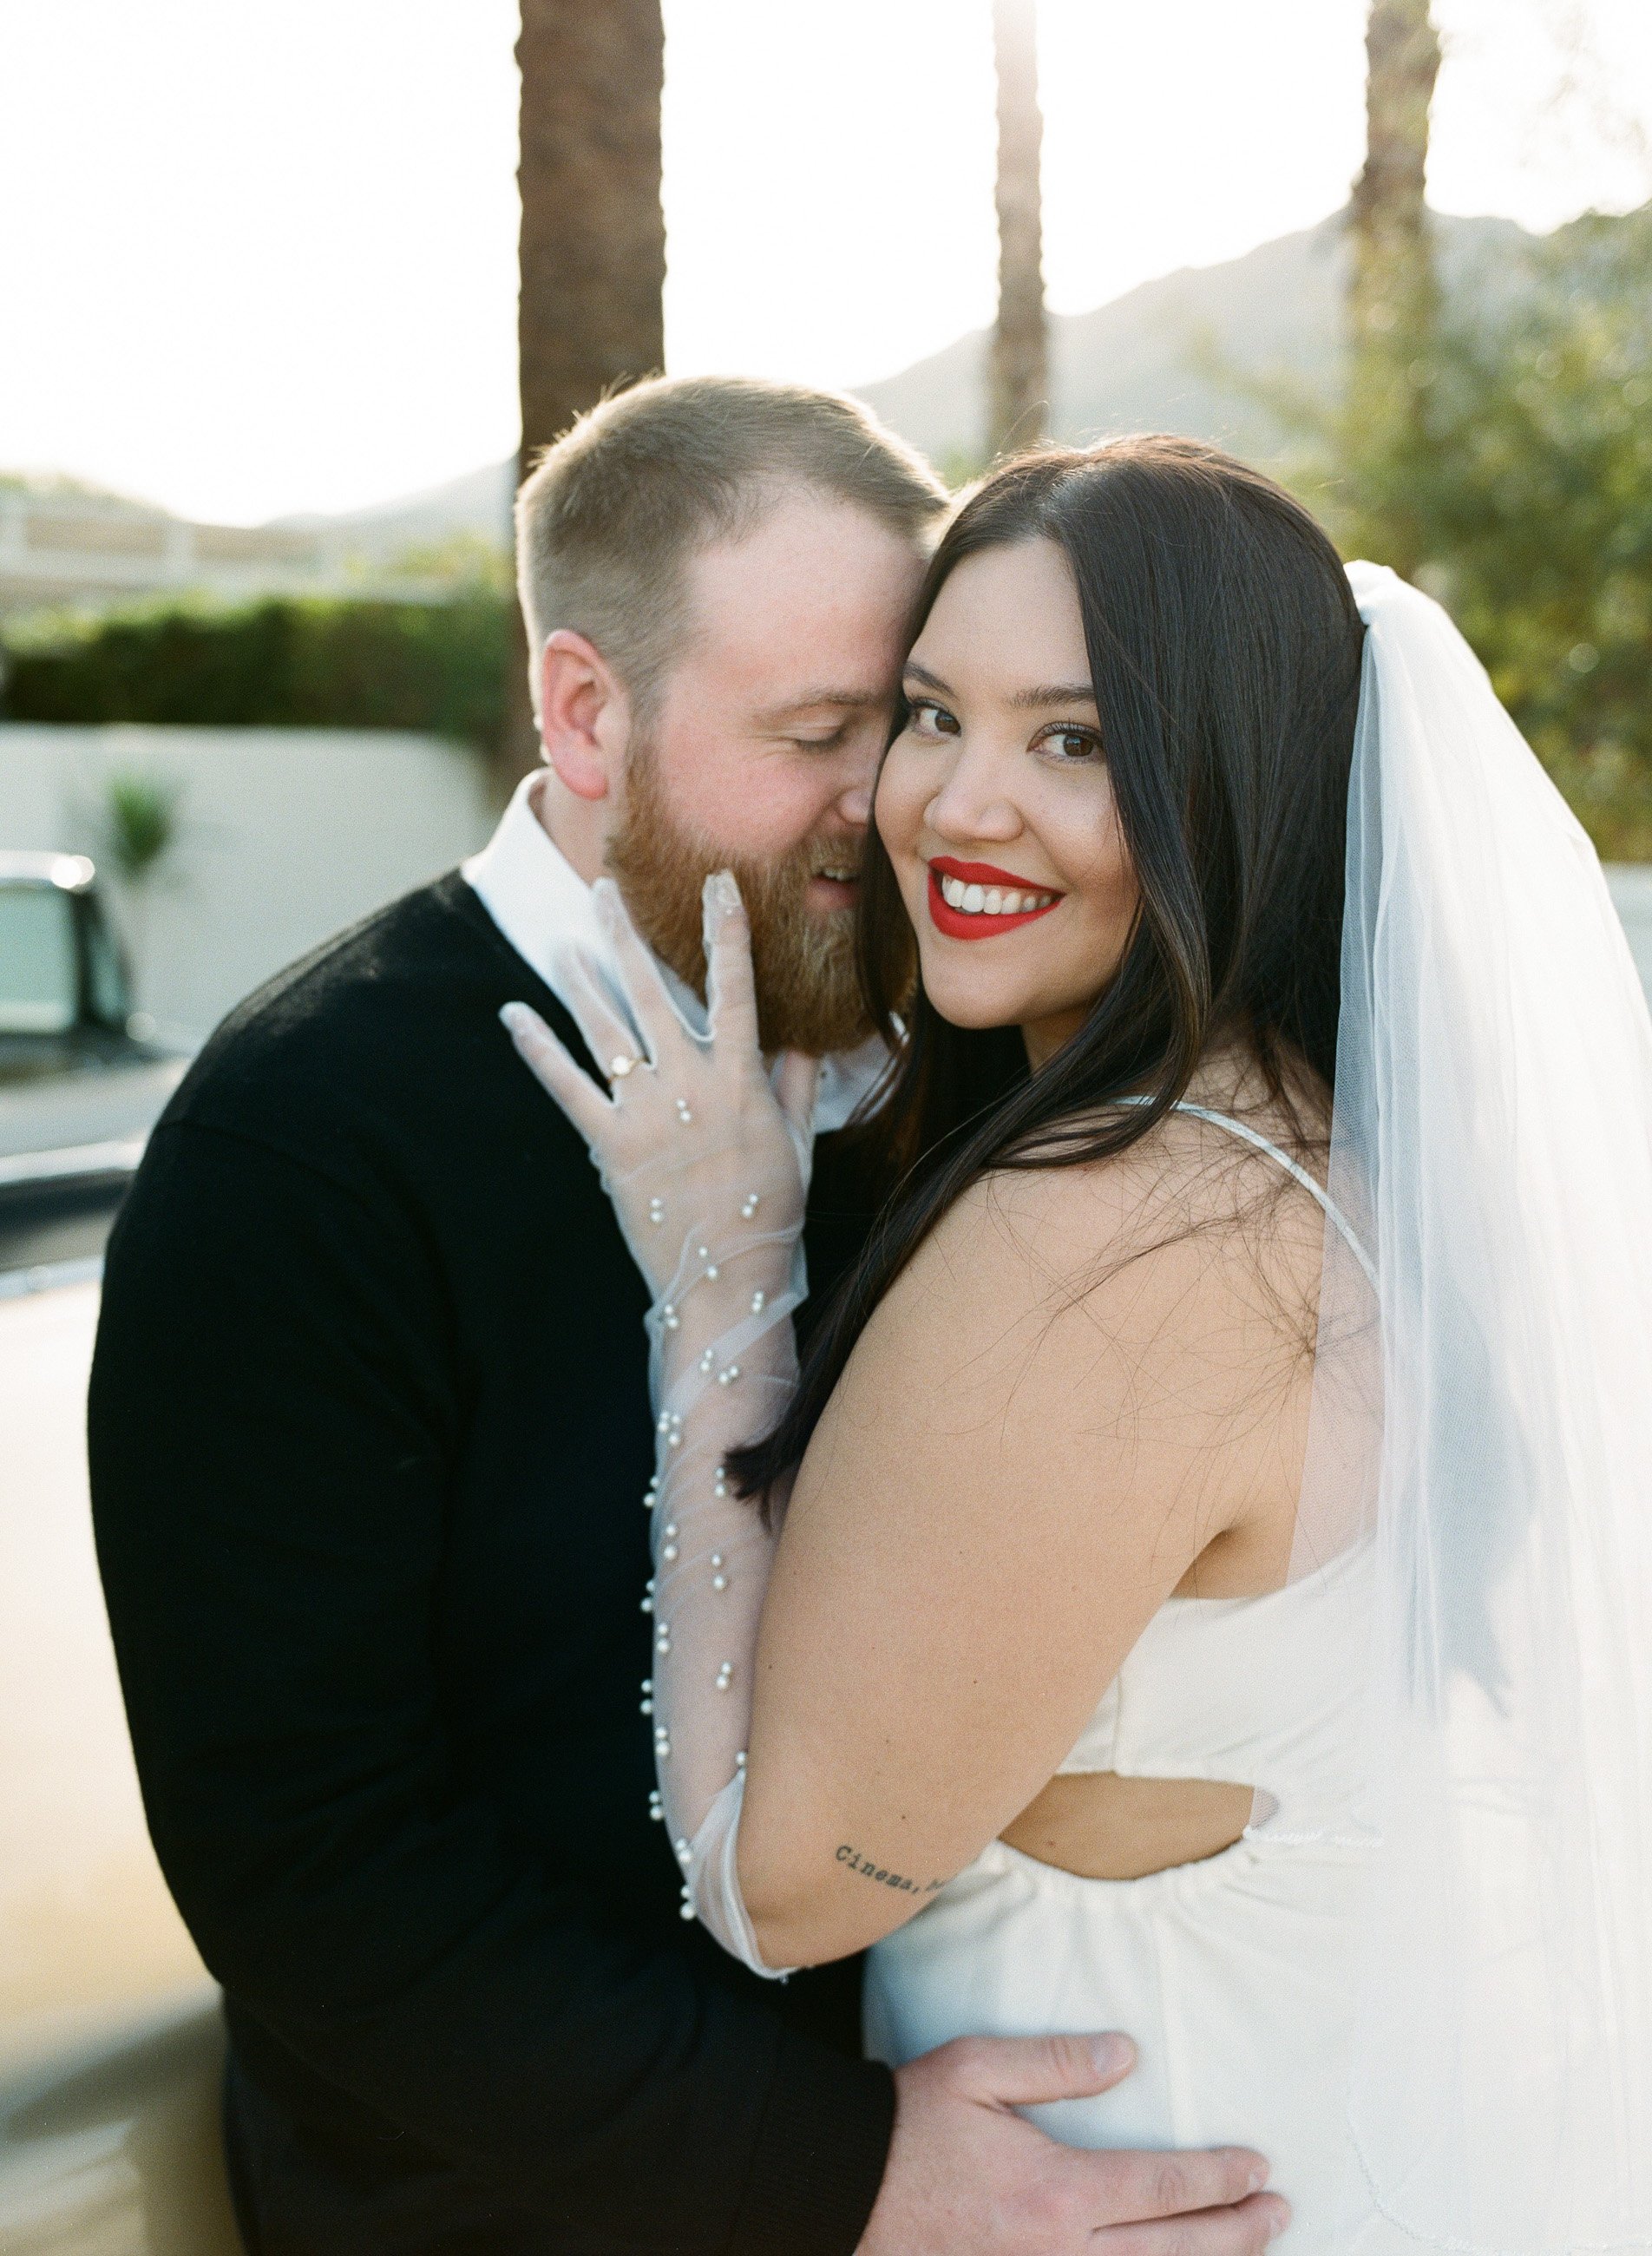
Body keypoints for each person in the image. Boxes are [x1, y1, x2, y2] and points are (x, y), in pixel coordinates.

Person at [88, 382, 1288, 2256]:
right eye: (823, 733)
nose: (896, 802)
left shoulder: (946, 1056)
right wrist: (834, 2167)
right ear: (584, 713)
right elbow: (311, 1864)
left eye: (902, 722)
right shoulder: (303, 1143)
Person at [508, 435, 1652, 2250]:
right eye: (930, 714)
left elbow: (780, 1885)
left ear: (1226, 784)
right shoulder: (1305, 1154)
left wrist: (723, 1285)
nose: (956, 805)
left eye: (1074, 741)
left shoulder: (1116, 1236)